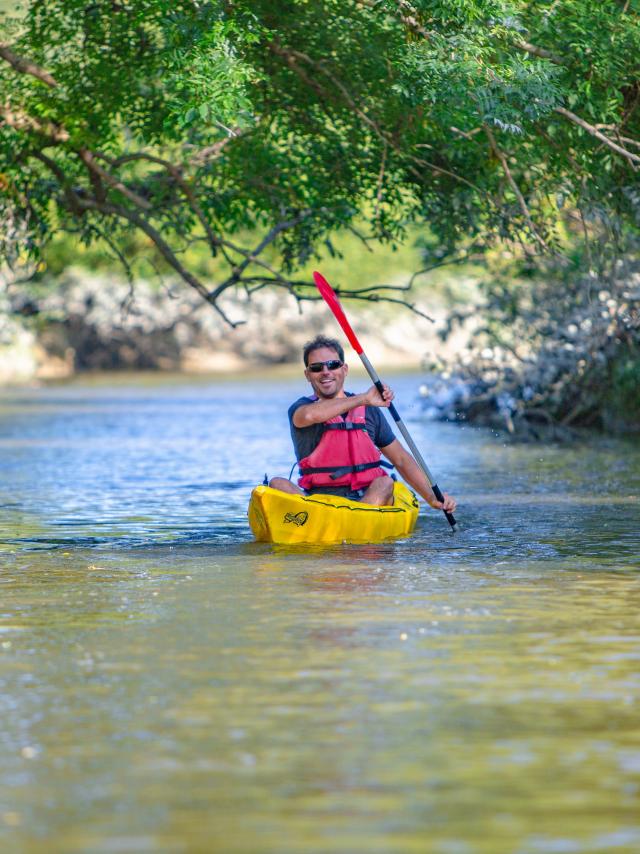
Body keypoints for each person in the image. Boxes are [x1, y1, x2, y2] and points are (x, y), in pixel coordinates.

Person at [269, 335, 457, 513]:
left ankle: (355, 522)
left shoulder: (369, 411)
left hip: (366, 499)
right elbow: (311, 415)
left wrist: (432, 496)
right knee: (277, 484)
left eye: (333, 365)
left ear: (344, 369)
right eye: (316, 368)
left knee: (385, 483)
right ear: (308, 374)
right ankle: (332, 523)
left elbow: (400, 458)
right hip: (318, 503)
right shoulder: (301, 408)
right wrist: (364, 398)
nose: (325, 372)